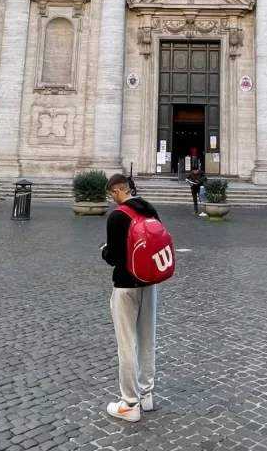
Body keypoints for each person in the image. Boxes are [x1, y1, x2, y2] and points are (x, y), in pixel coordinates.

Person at [101, 174, 161, 422]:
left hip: (126, 286)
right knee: (147, 340)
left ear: (116, 191)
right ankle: (146, 395)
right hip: (149, 282)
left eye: (111, 195)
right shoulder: (149, 209)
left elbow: (114, 257)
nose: (112, 199)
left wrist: (104, 251)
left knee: (126, 343)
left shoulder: (117, 216)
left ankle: (130, 404)